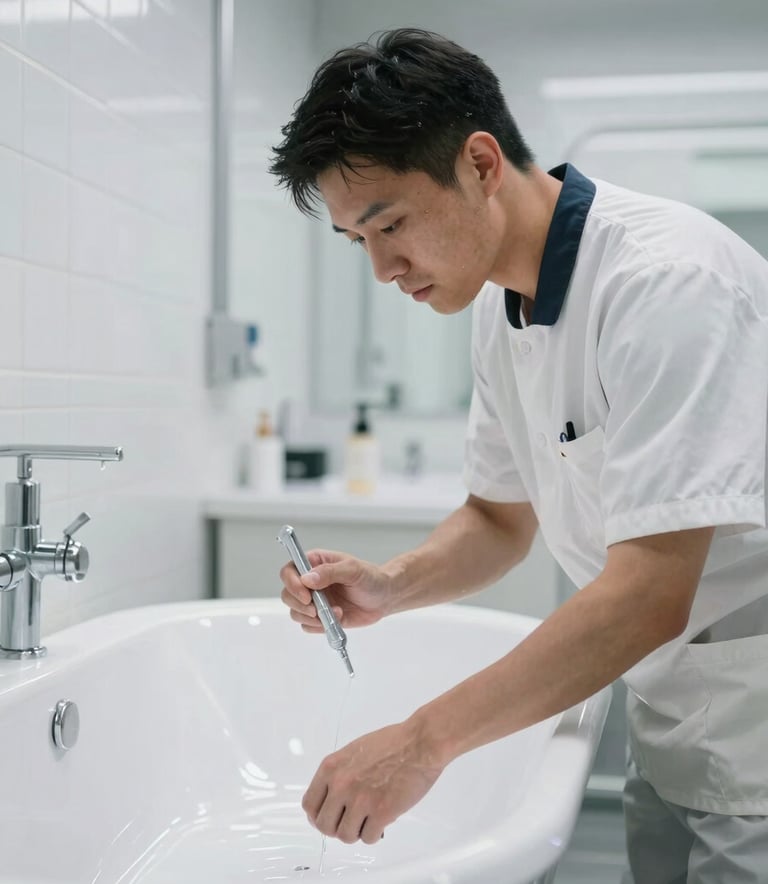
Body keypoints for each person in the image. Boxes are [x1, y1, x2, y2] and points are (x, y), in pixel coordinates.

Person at [269, 27, 768, 882]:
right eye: (360, 243)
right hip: (676, 717)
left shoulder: (666, 283)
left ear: (480, 163)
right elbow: (499, 519)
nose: (385, 268)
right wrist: (394, 585)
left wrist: (421, 745)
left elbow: (650, 591)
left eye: (390, 224)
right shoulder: (499, 306)